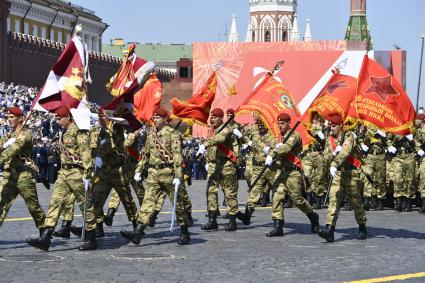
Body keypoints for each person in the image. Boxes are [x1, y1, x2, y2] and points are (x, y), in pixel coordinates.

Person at [27, 106, 97, 251]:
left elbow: (85, 154)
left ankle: (91, 237)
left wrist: (88, 174)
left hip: (77, 173)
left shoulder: (79, 132)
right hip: (64, 173)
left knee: (85, 205)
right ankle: (46, 237)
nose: (57, 121)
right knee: (55, 203)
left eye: (59, 118)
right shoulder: (62, 133)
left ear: (68, 117)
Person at [120, 107, 191, 245]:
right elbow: (145, 154)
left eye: (158, 118)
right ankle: (138, 233)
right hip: (153, 173)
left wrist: (178, 176)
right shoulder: (151, 135)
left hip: (169, 174)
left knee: (178, 204)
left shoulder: (173, 134)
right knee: (147, 203)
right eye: (154, 117)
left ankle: (184, 232)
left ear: (165, 119)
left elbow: (177, 156)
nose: (155, 120)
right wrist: (139, 170)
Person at [265, 112, 319, 237]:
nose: (280, 125)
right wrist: (268, 149)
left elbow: (286, 148)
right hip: (281, 171)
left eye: (283, 123)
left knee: (298, 200)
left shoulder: (295, 135)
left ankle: (313, 216)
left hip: (293, 172)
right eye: (279, 123)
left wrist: (272, 153)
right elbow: (270, 145)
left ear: (289, 123)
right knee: (277, 197)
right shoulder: (277, 137)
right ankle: (278, 225)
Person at [317, 114, 367, 242]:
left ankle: (362, 226)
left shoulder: (349, 136)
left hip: (351, 174)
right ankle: (330, 230)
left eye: (334, 126)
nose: (331, 128)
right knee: (333, 201)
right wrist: (333, 154)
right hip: (338, 174)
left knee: (356, 202)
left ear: (340, 126)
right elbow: (325, 157)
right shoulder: (330, 139)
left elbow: (346, 152)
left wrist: (335, 161)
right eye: (330, 126)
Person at [199, 108, 247, 231]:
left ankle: (232, 221)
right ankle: (212, 220)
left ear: (221, 118)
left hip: (226, 165)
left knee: (229, 193)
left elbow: (219, 139)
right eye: (212, 117)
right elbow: (210, 149)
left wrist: (205, 144)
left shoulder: (227, 129)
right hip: (213, 165)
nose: (212, 119)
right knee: (210, 191)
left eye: (215, 117)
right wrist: (207, 160)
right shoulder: (211, 130)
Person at [0, 107, 46, 234]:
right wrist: (4, 145)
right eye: (7, 117)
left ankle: (44, 231)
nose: (8, 120)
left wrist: (9, 146)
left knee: (33, 206)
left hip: (23, 176)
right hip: (8, 176)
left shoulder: (26, 134)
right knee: (1, 204)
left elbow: (13, 149)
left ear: (20, 118)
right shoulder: (7, 136)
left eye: (11, 117)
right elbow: (2, 148)